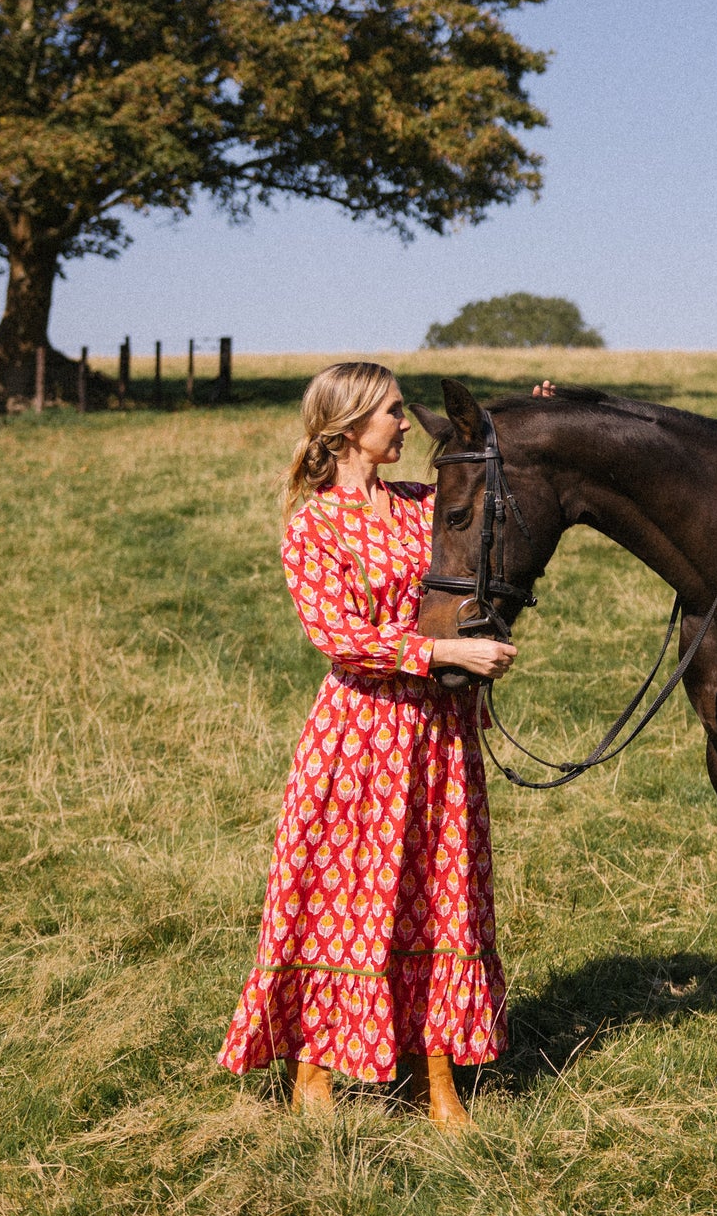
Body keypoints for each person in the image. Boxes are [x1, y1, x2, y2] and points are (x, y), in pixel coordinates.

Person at [218, 361, 516, 1129]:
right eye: (392, 412)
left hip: (439, 735)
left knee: (442, 895)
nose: (406, 424)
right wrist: (447, 656)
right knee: (342, 894)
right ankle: (312, 1066)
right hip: (361, 735)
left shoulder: (424, 506)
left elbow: (476, 521)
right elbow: (337, 636)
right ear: (350, 426)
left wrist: (522, 417)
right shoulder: (312, 525)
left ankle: (435, 1073)